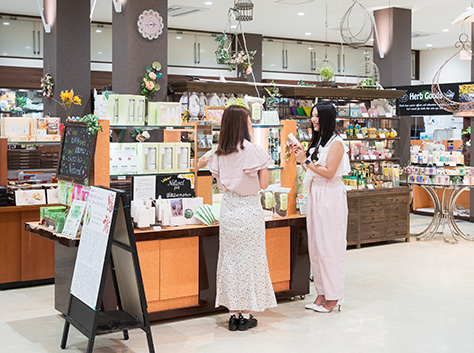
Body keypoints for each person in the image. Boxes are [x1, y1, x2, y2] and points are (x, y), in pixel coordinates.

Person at [197, 104, 277, 331]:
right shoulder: (254, 151)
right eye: (249, 120)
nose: (251, 124)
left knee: (230, 261)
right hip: (249, 210)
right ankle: (246, 314)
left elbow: (217, 181)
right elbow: (264, 184)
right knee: (250, 260)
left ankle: (232, 315)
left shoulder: (219, 153)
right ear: (243, 125)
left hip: (229, 209)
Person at [293, 102, 350, 313]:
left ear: (327, 118)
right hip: (315, 193)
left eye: (317, 116)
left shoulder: (337, 143)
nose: (313, 119)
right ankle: (321, 293)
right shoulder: (318, 141)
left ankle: (333, 297)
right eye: (312, 115)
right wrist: (302, 157)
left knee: (329, 246)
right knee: (316, 246)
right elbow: (313, 169)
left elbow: (328, 172)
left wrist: (305, 161)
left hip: (330, 195)